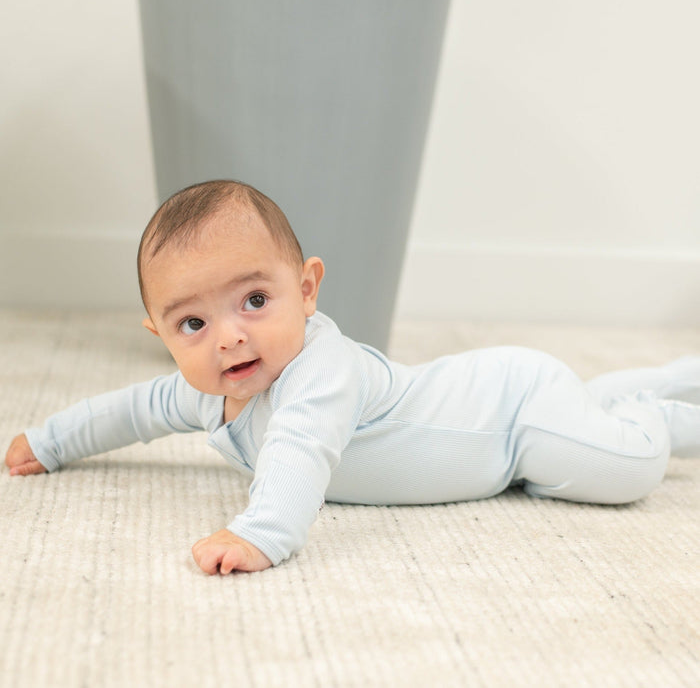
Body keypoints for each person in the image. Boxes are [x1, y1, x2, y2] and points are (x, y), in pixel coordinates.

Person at [5, 180, 700, 575]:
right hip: (515, 411)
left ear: (307, 289)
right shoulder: (208, 390)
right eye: (194, 325)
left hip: (511, 419)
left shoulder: (321, 371)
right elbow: (131, 411)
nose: (231, 336)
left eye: (255, 301)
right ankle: (647, 387)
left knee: (620, 470)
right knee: (586, 420)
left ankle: (660, 419)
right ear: (160, 334)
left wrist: (263, 533)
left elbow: (300, 449)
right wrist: (53, 439)